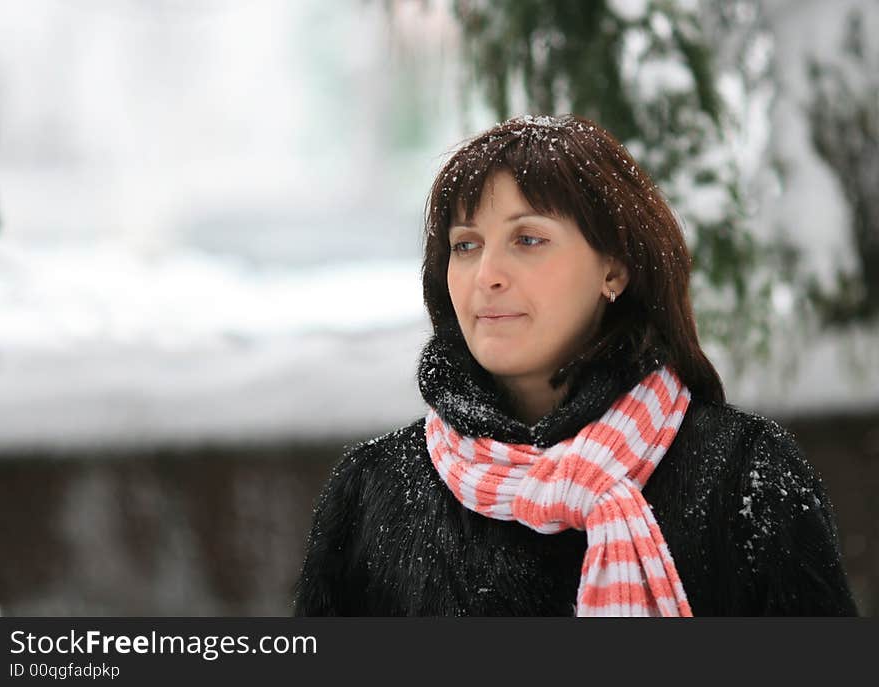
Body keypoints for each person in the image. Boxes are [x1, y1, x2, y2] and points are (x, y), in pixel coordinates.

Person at [291, 114, 858, 616]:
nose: (487, 273)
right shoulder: (374, 489)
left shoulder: (741, 474)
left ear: (614, 269)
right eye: (465, 245)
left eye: (528, 239)